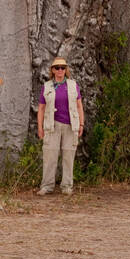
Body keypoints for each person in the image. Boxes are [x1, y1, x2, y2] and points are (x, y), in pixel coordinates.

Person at [37, 57, 84, 195]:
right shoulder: (47, 86)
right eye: (57, 68)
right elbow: (41, 108)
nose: (60, 70)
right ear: (52, 70)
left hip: (71, 125)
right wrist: (40, 127)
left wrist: (81, 123)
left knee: (68, 156)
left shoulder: (73, 85)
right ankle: (47, 186)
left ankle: (67, 186)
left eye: (62, 68)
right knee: (50, 155)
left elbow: (79, 105)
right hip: (52, 125)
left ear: (66, 70)